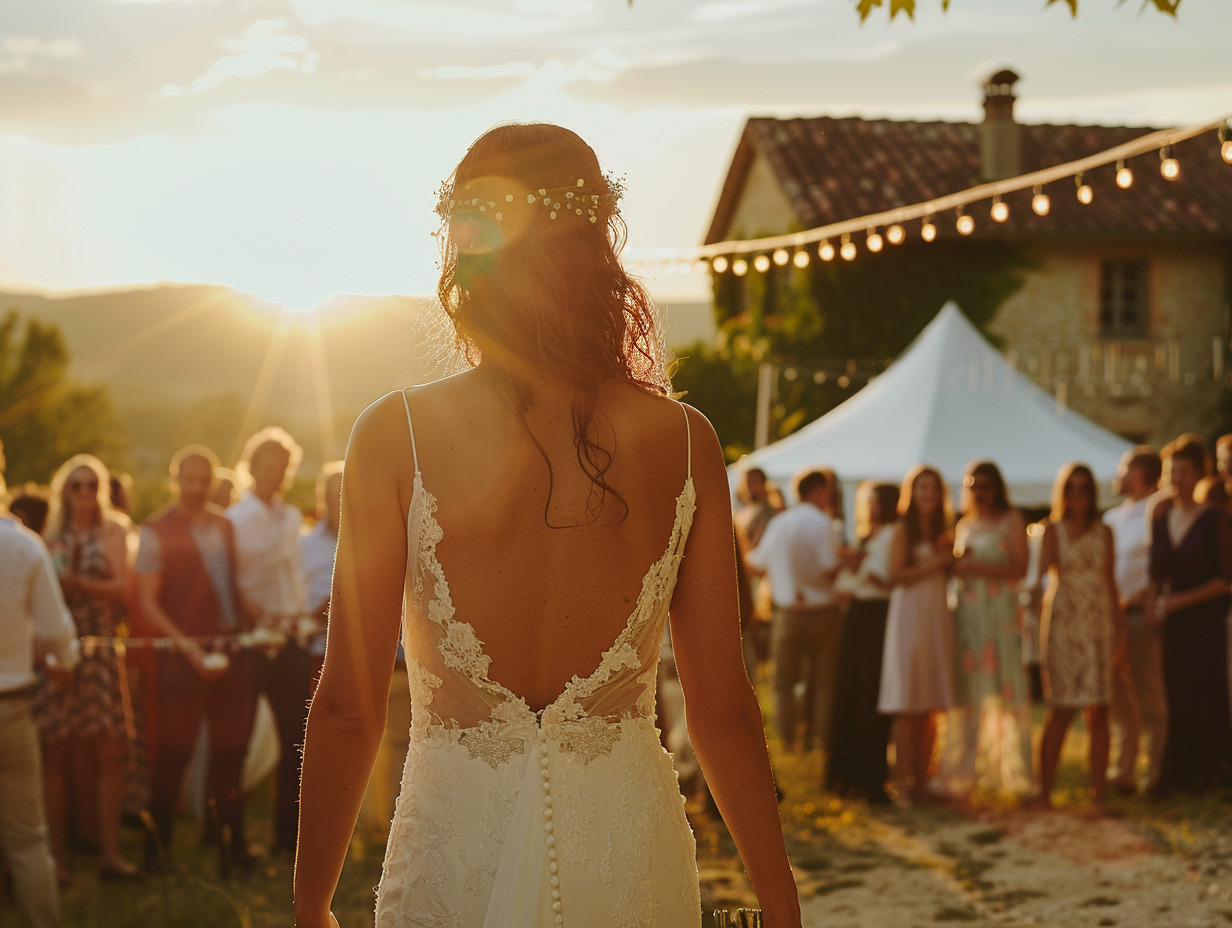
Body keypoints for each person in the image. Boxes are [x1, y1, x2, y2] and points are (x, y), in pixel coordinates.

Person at [293, 123, 800, 928]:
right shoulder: (685, 441)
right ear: (599, 243)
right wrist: (780, 902)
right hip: (627, 855)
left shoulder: (395, 437)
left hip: (453, 851)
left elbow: (350, 706)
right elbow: (721, 709)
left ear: (466, 255)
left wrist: (311, 904)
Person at [134, 446, 255, 872]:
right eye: (189, 479)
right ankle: (156, 854)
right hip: (182, 658)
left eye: (204, 479)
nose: (198, 487)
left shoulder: (225, 526)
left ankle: (232, 850)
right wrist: (188, 649)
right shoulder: (155, 529)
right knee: (172, 756)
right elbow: (148, 603)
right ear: (176, 479)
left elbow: (233, 589)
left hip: (231, 653)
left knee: (231, 754)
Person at [36, 454, 136, 880]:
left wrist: (82, 585)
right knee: (56, 752)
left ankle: (109, 854)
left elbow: (124, 588)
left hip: (99, 649)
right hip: (59, 649)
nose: (82, 493)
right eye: (74, 485)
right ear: (63, 491)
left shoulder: (112, 531)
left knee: (109, 751)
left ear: (100, 490)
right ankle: (58, 858)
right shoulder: (48, 536)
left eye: (90, 485)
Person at [0, 441, 78, 928]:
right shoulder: (24, 544)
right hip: (10, 708)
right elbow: (57, 633)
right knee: (28, 840)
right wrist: (63, 663)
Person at [227, 426, 308, 856]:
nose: (275, 474)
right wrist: (255, 614)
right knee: (237, 740)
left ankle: (286, 838)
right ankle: (231, 836)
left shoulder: (291, 517)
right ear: (252, 467)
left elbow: (293, 574)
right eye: (267, 466)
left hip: (291, 639)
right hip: (253, 639)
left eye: (282, 467)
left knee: (295, 739)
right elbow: (232, 578)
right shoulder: (235, 520)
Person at [1147, 434, 1232, 796]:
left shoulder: (1215, 519)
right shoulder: (1162, 517)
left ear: (1199, 474)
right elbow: (1155, 572)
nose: (1176, 479)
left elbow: (1226, 580)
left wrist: (1177, 602)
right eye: (1171, 472)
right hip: (1174, 625)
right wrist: (1154, 606)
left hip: (1207, 622)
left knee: (1208, 694)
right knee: (1176, 695)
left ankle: (1212, 774)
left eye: (1183, 472)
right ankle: (1177, 776)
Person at [1035, 463, 1120, 808]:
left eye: (1084, 488)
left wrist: (1121, 630)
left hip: (1098, 621)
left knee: (1098, 710)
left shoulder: (1105, 531)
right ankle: (1044, 791)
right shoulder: (1052, 530)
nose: (1078, 495)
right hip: (1064, 622)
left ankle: (1096, 792)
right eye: (1072, 488)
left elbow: (1112, 581)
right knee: (1062, 708)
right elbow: (1039, 578)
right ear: (1063, 493)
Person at [946, 461, 1030, 797]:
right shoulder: (964, 524)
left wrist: (975, 566)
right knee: (970, 693)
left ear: (996, 488)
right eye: (972, 484)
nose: (979, 491)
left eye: (985, 485)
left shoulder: (1011, 520)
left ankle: (1012, 770)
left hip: (999, 615)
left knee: (1005, 690)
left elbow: (1020, 568)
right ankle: (968, 767)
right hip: (968, 616)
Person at [746, 469, 843, 754]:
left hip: (788, 613)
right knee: (825, 683)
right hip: (823, 612)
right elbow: (828, 569)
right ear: (821, 490)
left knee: (783, 683)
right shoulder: (823, 523)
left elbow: (756, 564)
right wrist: (845, 562)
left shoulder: (779, 523)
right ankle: (822, 741)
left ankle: (788, 741)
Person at [877, 465, 955, 808]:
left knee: (929, 705)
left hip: (936, 616)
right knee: (907, 704)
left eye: (933, 488)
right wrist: (938, 561)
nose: (928, 494)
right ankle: (902, 785)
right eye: (922, 488)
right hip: (908, 617)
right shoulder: (901, 531)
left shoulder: (943, 531)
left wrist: (951, 559)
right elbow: (896, 575)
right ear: (913, 493)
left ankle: (923, 780)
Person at [826, 481, 898, 803]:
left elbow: (887, 578)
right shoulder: (863, 535)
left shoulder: (893, 534)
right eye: (868, 502)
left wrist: (862, 565)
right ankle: (844, 774)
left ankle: (870, 776)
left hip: (878, 616)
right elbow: (844, 584)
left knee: (870, 695)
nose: (871, 508)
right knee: (849, 693)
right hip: (855, 615)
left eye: (877, 502)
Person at [1104, 446, 1166, 796]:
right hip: (1113, 618)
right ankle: (1122, 773)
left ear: (1141, 472)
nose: (1119, 474)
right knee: (1119, 700)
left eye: (1125, 468)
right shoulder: (1112, 518)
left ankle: (1154, 776)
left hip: (1142, 616)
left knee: (1149, 696)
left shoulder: (1157, 511)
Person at [299, 461, 343, 686]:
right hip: (319, 652)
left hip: (366, 652)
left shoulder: (375, 542)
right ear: (323, 497)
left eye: (346, 491)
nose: (341, 499)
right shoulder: (306, 544)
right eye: (335, 493)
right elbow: (296, 597)